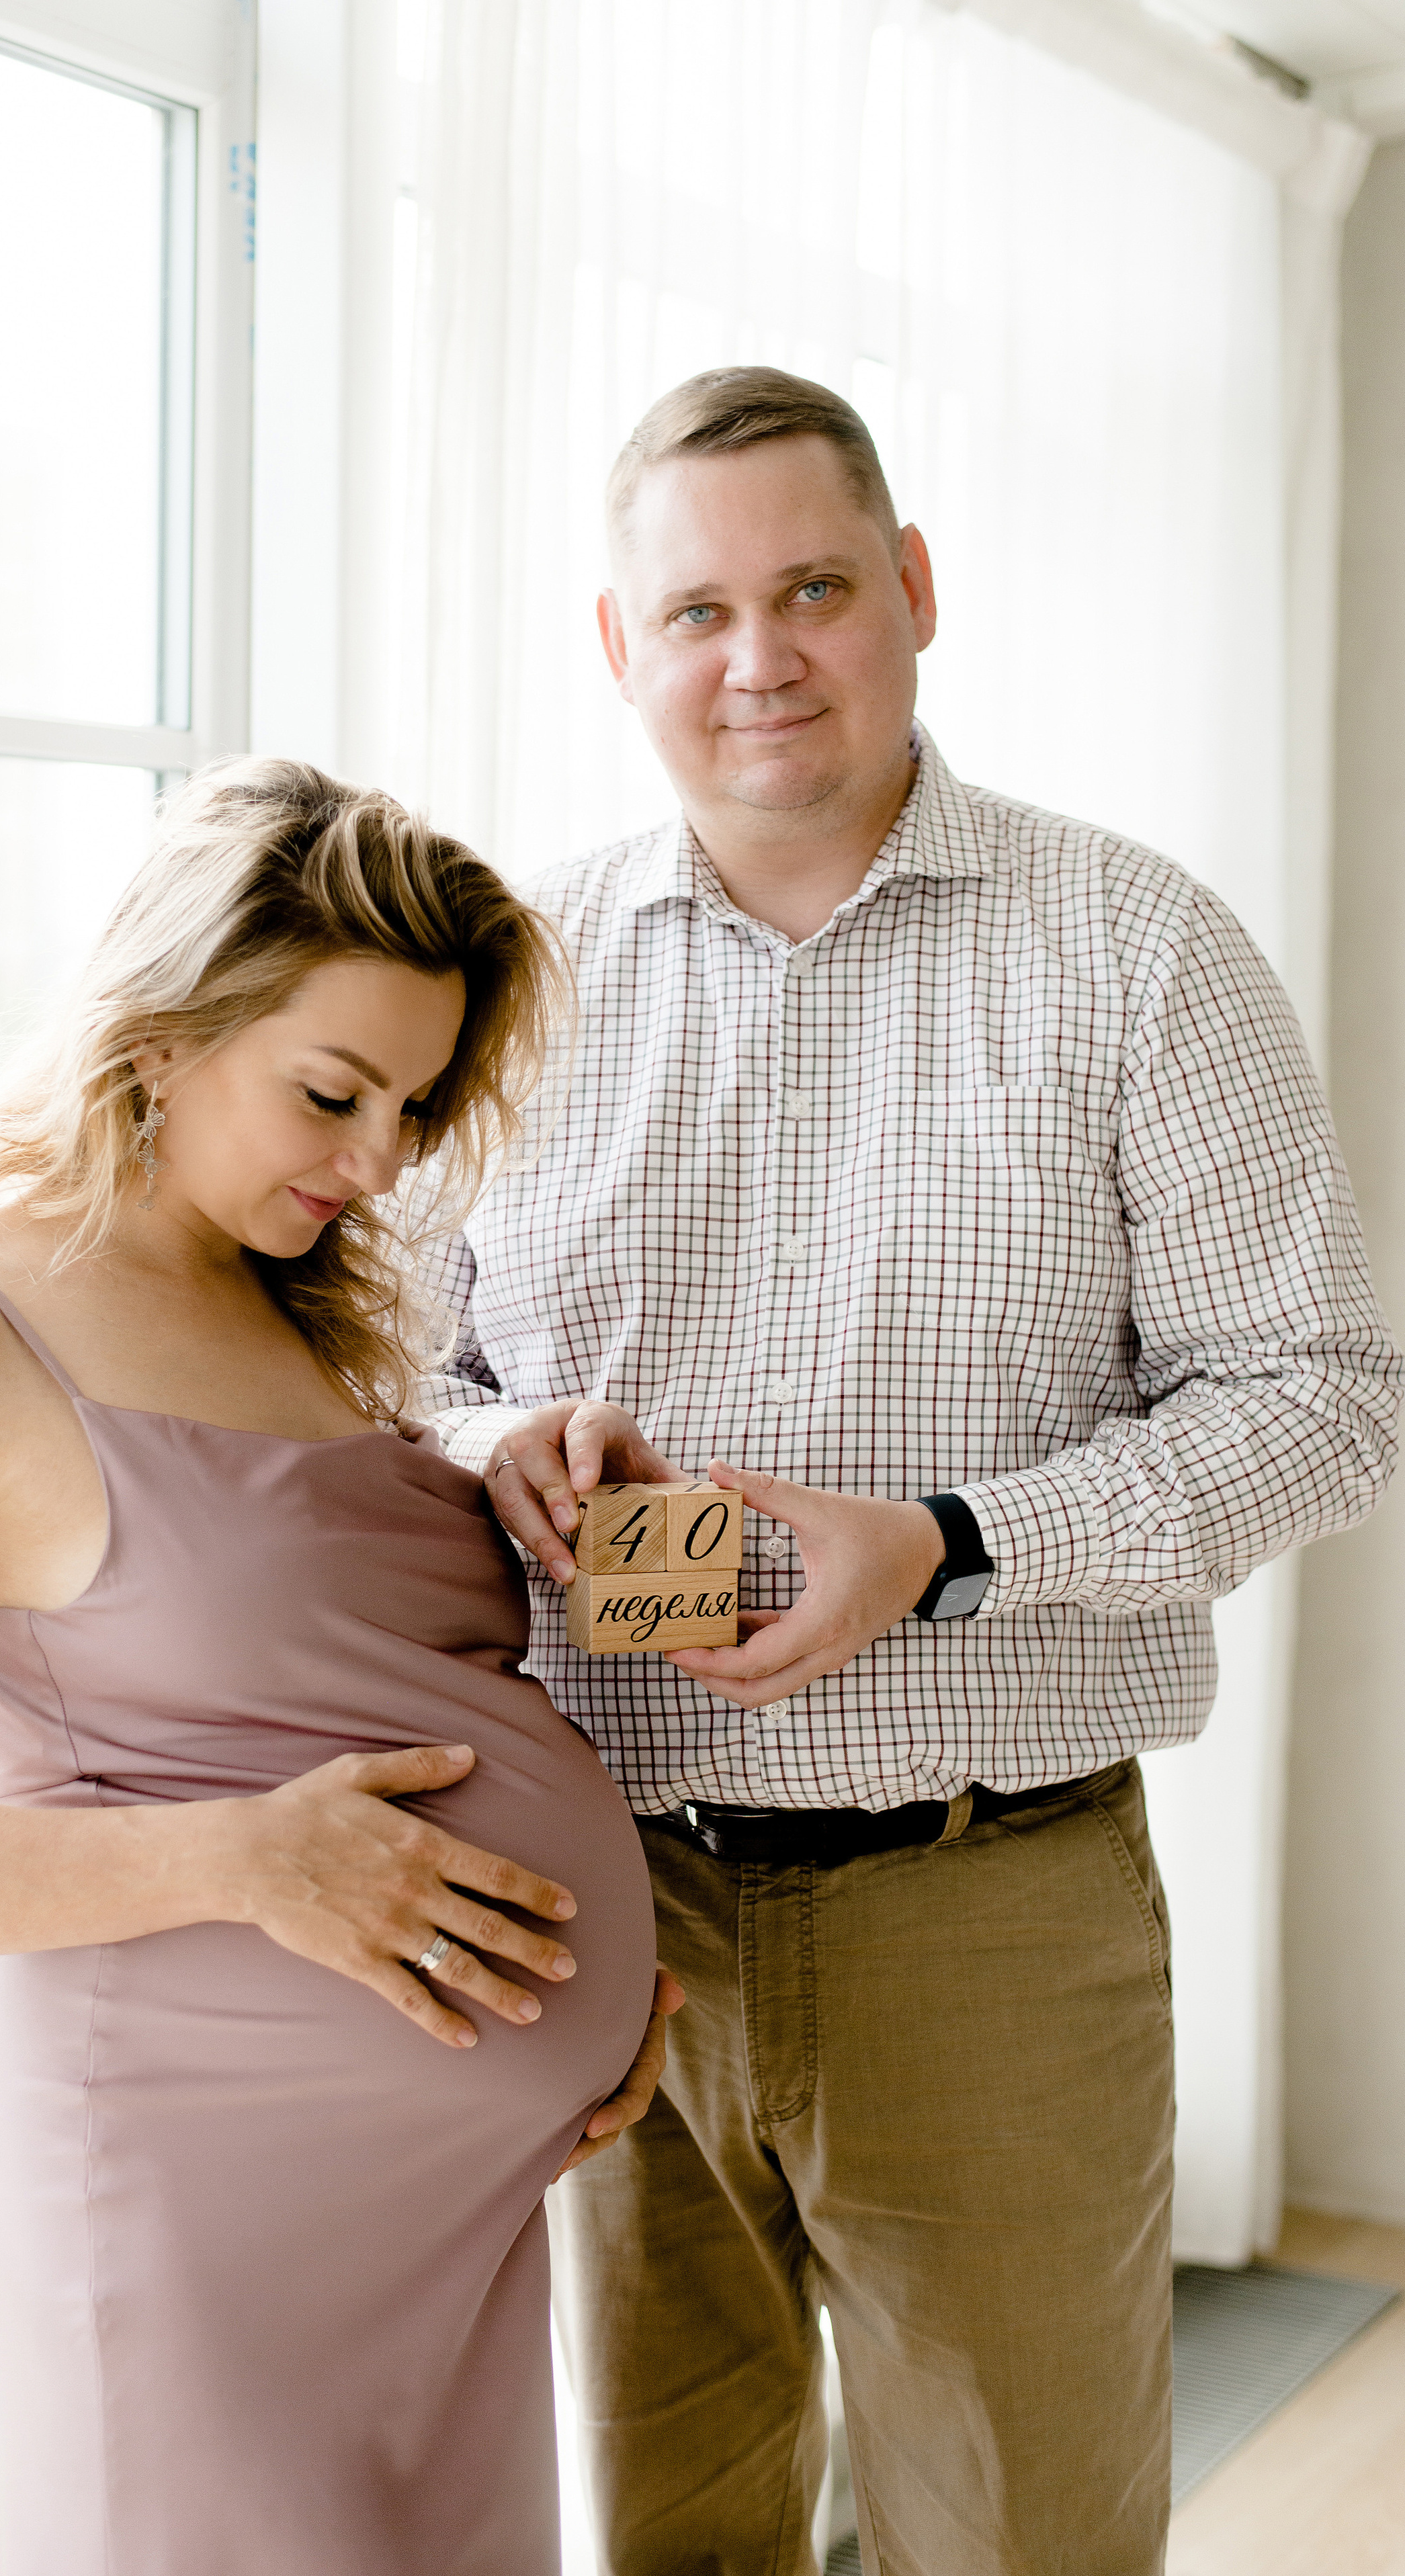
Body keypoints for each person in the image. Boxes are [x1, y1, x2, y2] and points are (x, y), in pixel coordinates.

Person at [417, 368, 1402, 2576]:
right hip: (609, 1906)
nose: (757, 656)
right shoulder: (510, 989)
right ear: (617, 647)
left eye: (814, 589)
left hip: (997, 1908)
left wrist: (946, 1547)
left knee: (1022, 2539)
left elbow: (1329, 1392)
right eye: (696, 611)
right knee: (673, 2535)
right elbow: (372, 1377)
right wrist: (496, 1440)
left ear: (917, 593)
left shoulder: (1140, 951)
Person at [0, 761, 677, 2576]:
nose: (382, 1157)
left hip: (439, 2225)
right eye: (334, 1092)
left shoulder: (291, 1305)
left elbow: (309, 1626)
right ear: (166, 1029)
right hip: (194, 2188)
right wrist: (247, 1857)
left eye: (413, 1102)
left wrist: (573, 1987)